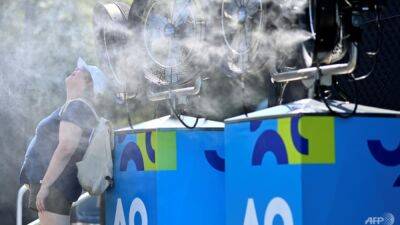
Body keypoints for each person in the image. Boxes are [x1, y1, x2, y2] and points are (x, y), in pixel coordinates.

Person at [19, 58, 108, 225]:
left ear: (88, 85)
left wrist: (45, 185)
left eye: (82, 71)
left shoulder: (77, 106)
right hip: (54, 184)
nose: (76, 69)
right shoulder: (72, 106)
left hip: (54, 185)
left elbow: (67, 146)